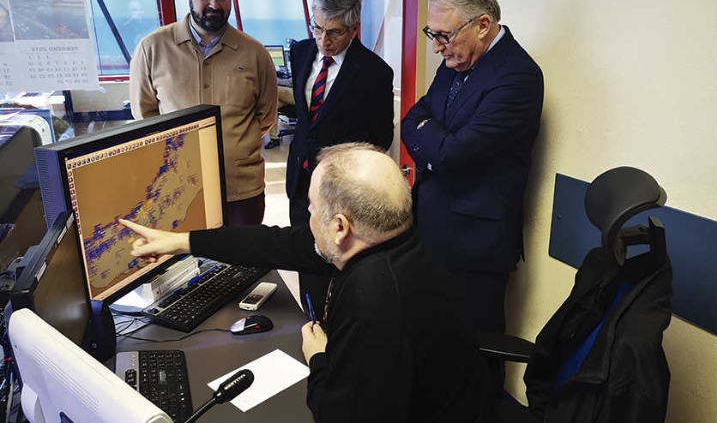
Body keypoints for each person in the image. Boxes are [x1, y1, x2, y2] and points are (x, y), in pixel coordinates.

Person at [120, 143, 495, 423]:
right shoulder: (391, 241)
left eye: (313, 207)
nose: (308, 215)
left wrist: (319, 358)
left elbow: (339, 415)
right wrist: (182, 242)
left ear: (339, 226)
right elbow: (275, 243)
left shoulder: (376, 303)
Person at [400, 0, 543, 394]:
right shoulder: (456, 61)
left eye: (444, 35)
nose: (437, 46)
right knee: (433, 348)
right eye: (433, 34)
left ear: (482, 25)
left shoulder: (517, 77)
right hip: (430, 226)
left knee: (474, 359)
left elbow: (453, 155)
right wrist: (437, 147)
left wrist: (436, 148)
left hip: (474, 247)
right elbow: (412, 118)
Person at [286, 0, 394, 319]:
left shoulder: (375, 72)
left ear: (353, 28)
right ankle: (311, 323)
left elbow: (380, 139)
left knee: (338, 265)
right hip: (300, 179)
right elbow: (307, 120)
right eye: (317, 28)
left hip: (341, 190)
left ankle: (338, 334)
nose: (323, 40)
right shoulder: (301, 52)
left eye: (333, 32)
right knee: (304, 255)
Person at [129, 0, 278, 227]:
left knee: (243, 260)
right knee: (184, 262)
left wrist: (235, 148)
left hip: (240, 191)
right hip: (176, 190)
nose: (214, 5)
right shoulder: (152, 48)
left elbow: (266, 117)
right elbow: (144, 116)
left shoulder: (255, 53)